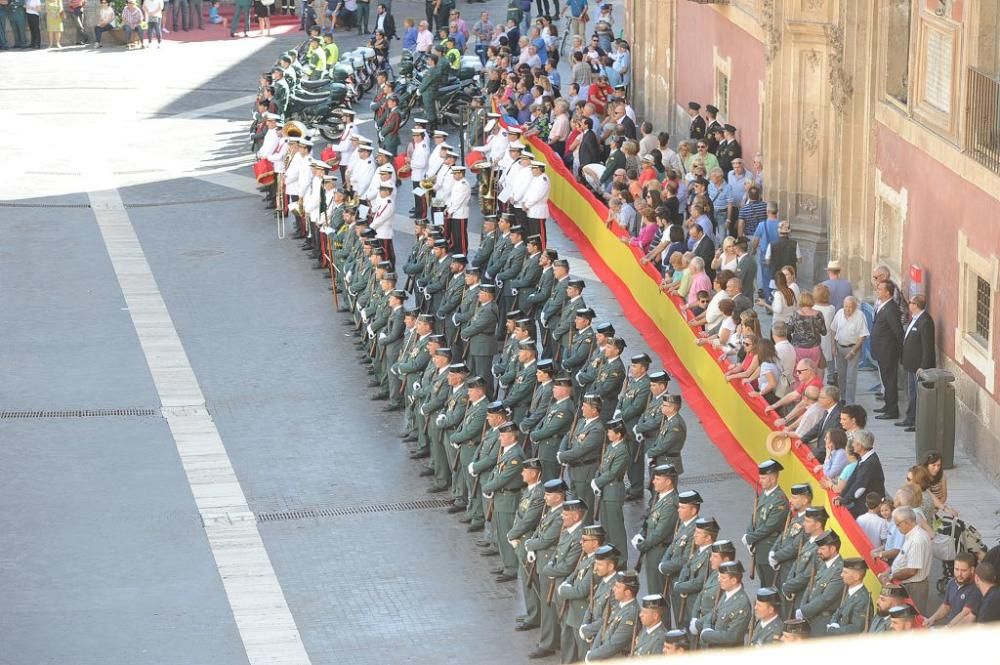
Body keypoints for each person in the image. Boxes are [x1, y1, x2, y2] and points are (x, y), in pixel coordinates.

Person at [878, 505, 932, 615]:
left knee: (911, 617)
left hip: (914, 587)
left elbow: (912, 570)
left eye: (898, 524)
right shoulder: (912, 535)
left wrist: (891, 576)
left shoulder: (917, 540)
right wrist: (890, 571)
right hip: (911, 585)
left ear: (907, 522)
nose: (897, 528)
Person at [743, 459, 789, 587]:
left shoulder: (780, 500)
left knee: (771, 587)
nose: (760, 480)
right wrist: (749, 534)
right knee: (764, 584)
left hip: (769, 548)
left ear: (773, 478)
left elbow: (770, 526)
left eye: (763, 478)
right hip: (758, 549)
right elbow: (755, 517)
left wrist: (750, 538)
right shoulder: (764, 494)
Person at [899, 294, 936, 432]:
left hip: (919, 367)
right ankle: (909, 418)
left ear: (916, 305)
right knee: (911, 393)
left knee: (918, 395)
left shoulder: (925, 322)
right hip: (910, 365)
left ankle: (917, 423)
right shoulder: (914, 319)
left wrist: (924, 367)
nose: (909, 305)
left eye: (910, 302)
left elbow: (928, 347)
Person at [829, 296, 868, 405]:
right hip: (840, 347)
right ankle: (843, 398)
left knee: (850, 377)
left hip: (853, 349)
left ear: (855, 307)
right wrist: (833, 346)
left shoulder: (860, 315)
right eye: (846, 306)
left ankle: (850, 402)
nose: (847, 309)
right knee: (841, 376)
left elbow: (862, 336)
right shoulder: (839, 313)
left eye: (850, 307)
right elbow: (833, 329)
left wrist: (853, 351)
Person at [925, 552, 982, 626]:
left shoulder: (976, 588)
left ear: (972, 570)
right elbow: (946, 606)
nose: (959, 574)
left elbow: (965, 613)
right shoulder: (951, 583)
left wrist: (948, 628)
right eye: (956, 569)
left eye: (963, 570)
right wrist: (932, 619)